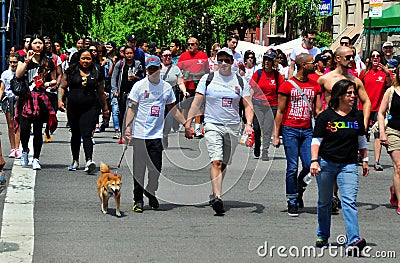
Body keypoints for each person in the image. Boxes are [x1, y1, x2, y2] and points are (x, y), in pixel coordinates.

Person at [184, 47, 254, 215]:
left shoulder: (241, 81)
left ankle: (214, 191)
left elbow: (247, 105)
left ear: (232, 62)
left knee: (223, 163)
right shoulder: (208, 79)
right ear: (216, 60)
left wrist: (249, 123)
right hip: (212, 124)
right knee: (216, 161)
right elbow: (196, 103)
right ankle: (218, 197)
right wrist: (188, 123)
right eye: (220, 59)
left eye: (227, 60)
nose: (223, 63)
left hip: (233, 126)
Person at [311, 79, 369, 255]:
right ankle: (322, 235)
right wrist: (314, 161)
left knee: (349, 201)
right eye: (349, 93)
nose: (353, 96)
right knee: (324, 202)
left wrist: (365, 159)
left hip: (349, 165)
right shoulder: (326, 117)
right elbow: (316, 140)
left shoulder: (357, 116)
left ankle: (353, 240)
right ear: (339, 95)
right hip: (327, 163)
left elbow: (361, 139)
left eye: (354, 93)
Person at [123, 55, 186, 212]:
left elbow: (173, 108)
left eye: (155, 69)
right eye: (150, 69)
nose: (153, 72)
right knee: (139, 169)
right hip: (140, 135)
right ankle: (138, 200)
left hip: (157, 135)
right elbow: (131, 108)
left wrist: (186, 124)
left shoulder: (166, 88)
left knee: (156, 169)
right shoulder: (139, 86)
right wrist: (128, 128)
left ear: (160, 69)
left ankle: (151, 191)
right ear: (147, 70)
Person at [272, 53, 322, 216]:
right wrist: (276, 134)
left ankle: (299, 188)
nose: (314, 65)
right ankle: (292, 200)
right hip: (290, 129)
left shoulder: (315, 85)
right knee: (292, 167)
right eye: (311, 63)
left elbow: (318, 111)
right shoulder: (287, 86)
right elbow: (280, 111)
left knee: (310, 165)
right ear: (302, 65)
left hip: (307, 130)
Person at [58, 49, 109, 174]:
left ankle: (89, 161)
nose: (85, 61)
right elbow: (62, 87)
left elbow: (101, 93)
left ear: (92, 60)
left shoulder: (97, 72)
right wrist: (60, 100)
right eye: (83, 58)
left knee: (87, 133)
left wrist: (105, 108)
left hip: (90, 107)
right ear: (79, 59)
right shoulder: (71, 71)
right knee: (75, 134)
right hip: (73, 107)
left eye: (88, 59)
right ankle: (75, 160)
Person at [15, 34, 58, 170]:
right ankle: (25, 151)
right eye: (35, 43)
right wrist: (27, 61)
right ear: (30, 45)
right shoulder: (23, 58)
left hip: (40, 98)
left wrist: (47, 83)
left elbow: (54, 80)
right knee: (25, 129)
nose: (38, 45)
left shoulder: (47, 61)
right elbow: (18, 75)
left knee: (38, 130)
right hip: (26, 98)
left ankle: (36, 158)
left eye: (40, 43)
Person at [360, 50, 392, 171]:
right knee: (361, 132)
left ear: (380, 58)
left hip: (379, 109)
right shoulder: (364, 73)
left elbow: (390, 86)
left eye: (377, 56)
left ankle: (377, 161)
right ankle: (361, 156)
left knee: (378, 133)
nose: (375, 58)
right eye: (373, 56)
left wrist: (387, 73)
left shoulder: (385, 73)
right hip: (364, 108)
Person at [251, 51, 283, 161]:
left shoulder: (277, 76)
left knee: (268, 128)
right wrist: (249, 103)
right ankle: (257, 144)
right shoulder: (258, 74)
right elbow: (251, 89)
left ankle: (265, 151)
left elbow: (281, 92)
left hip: (272, 105)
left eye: (269, 60)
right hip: (258, 104)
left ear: (273, 62)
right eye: (265, 59)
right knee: (257, 127)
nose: (266, 62)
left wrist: (281, 107)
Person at [111, 46, 146, 144]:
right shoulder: (120, 64)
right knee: (122, 113)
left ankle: (132, 134)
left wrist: (136, 77)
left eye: (131, 53)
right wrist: (115, 90)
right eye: (127, 53)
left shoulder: (138, 64)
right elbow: (114, 77)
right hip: (123, 92)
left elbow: (143, 78)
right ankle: (123, 135)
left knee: (133, 113)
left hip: (134, 93)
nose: (129, 55)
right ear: (124, 54)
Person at [378, 65, 400, 214]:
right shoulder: (391, 91)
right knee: (399, 166)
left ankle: (395, 189)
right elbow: (381, 113)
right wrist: (382, 133)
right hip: (393, 131)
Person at [177, 37, 209, 137]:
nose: (190, 46)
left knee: (198, 106)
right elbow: (178, 70)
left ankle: (198, 128)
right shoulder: (184, 56)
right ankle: (187, 126)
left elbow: (207, 71)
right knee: (187, 107)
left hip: (199, 86)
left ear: (197, 45)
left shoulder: (203, 56)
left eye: (192, 44)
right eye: (189, 44)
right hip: (187, 86)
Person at [160, 48, 189, 145]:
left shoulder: (175, 68)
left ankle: (165, 134)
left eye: (170, 55)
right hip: (158, 97)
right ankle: (157, 137)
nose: (168, 57)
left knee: (169, 118)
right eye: (165, 55)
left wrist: (184, 91)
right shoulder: (157, 67)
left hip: (170, 96)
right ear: (161, 57)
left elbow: (180, 82)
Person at [0, 54, 21, 158]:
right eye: (11, 62)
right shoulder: (5, 74)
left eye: (15, 62)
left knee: (18, 124)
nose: (13, 64)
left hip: (19, 100)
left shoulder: (21, 73)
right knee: (11, 125)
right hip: (8, 100)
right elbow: (2, 88)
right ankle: (13, 148)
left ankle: (18, 147)